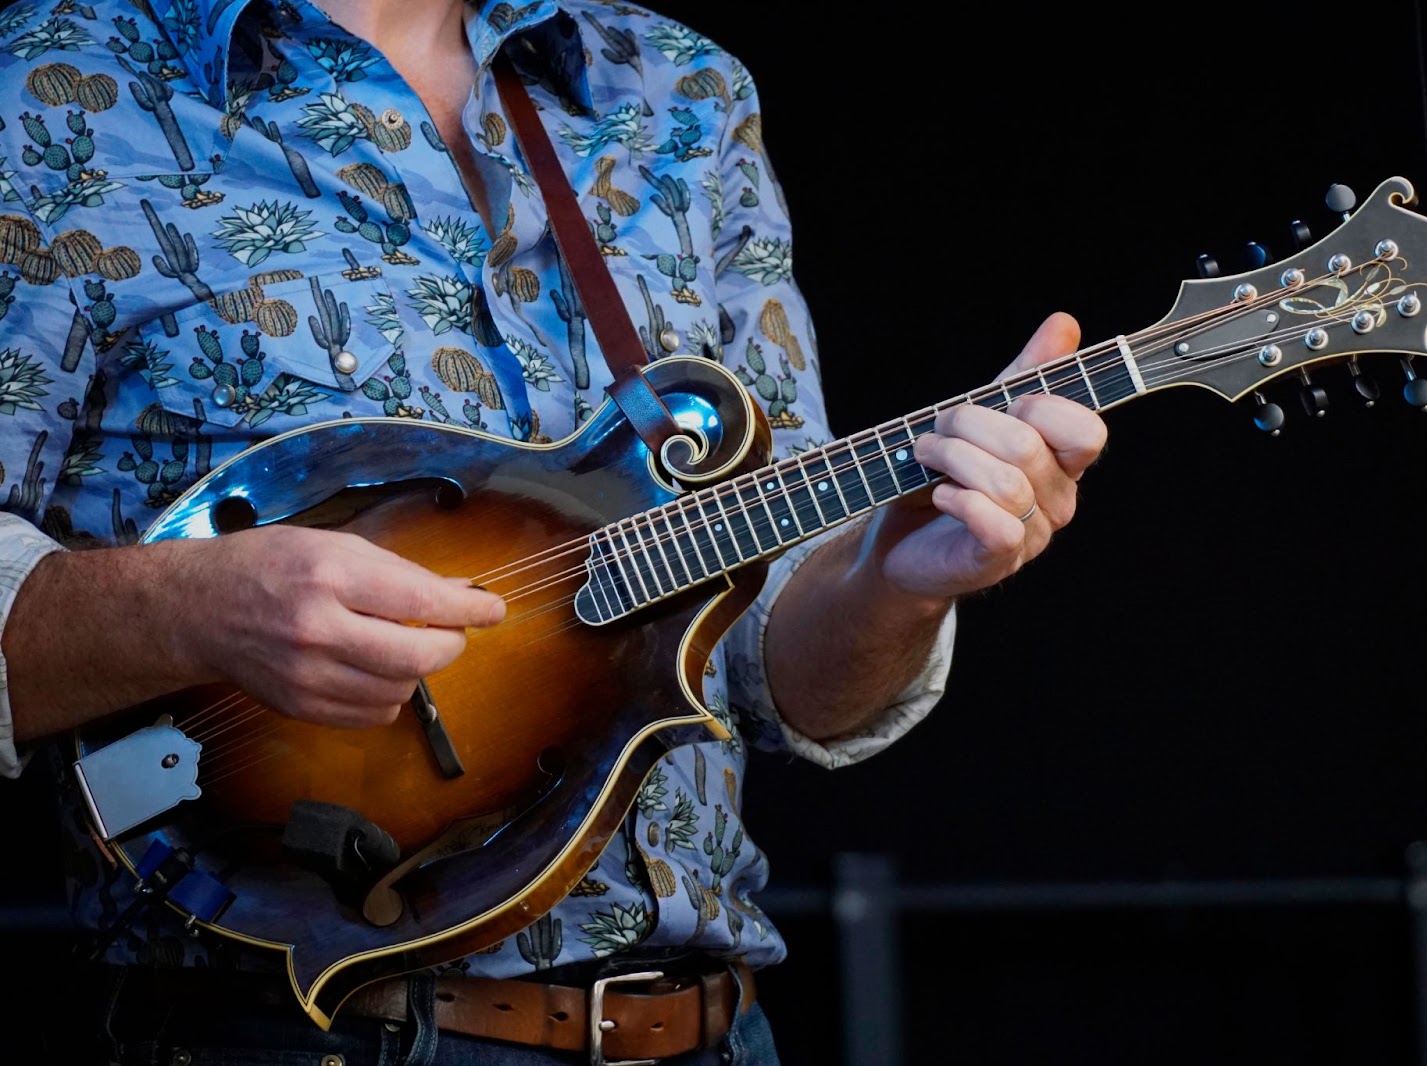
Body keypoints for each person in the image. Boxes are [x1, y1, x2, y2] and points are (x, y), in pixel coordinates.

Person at [0, 0, 1106, 1062]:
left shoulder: (679, 91)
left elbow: (783, 678)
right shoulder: (54, 86)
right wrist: (191, 611)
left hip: (710, 1030)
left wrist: (898, 578)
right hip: (291, 1035)